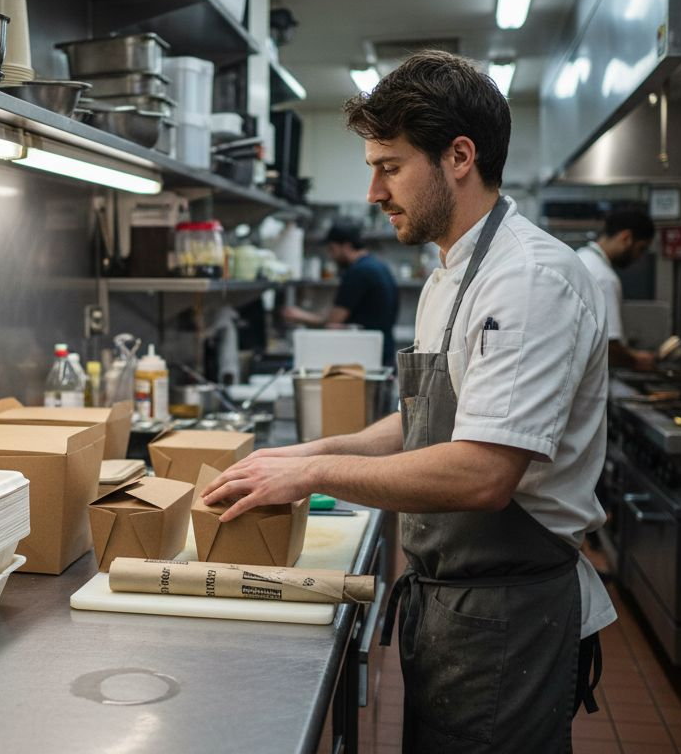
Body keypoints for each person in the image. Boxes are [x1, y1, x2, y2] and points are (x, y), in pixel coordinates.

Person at [201, 49, 614, 752]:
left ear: (459, 156)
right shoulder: (447, 275)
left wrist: (314, 475)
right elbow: (425, 423)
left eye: (388, 167)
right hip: (451, 602)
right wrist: (308, 450)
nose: (373, 192)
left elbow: (483, 473)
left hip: (506, 612)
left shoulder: (530, 278)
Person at [280, 219, 399, 366]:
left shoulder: (357, 272)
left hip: (367, 358)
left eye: (332, 249)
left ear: (346, 246)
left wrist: (300, 316)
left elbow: (334, 320)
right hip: (383, 352)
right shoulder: (378, 266)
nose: (331, 255)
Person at [577, 209, 657, 370]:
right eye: (641, 248)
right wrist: (637, 361)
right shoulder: (604, 277)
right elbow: (610, 347)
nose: (639, 257)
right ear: (626, 238)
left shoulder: (580, 257)